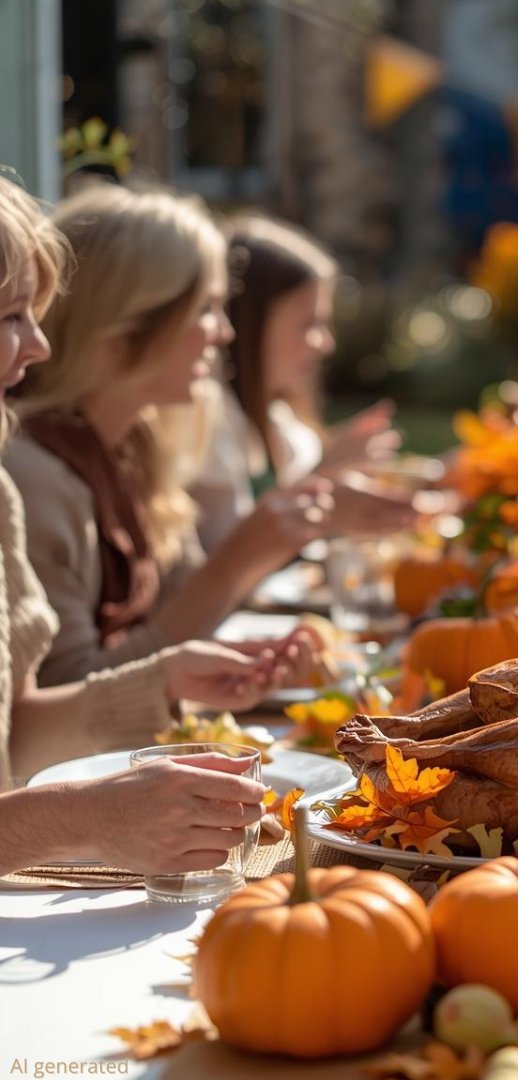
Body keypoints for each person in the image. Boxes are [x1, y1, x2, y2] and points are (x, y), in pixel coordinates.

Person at [7, 184, 408, 688]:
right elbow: (68, 690)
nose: (225, 333)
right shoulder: (34, 476)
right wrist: (241, 556)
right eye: (206, 308)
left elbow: (176, 621)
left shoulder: (134, 447)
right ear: (127, 326)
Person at [0, 176, 268, 875]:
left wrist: (163, 681)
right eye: (9, 318)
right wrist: (83, 818)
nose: (38, 348)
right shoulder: (35, 474)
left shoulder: (9, 489)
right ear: (129, 325)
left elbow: (15, 734)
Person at [193, 214, 405, 551]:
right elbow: (224, 559)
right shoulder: (206, 424)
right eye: (308, 323)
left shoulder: (279, 419)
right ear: (249, 325)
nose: (325, 343)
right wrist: (323, 479)